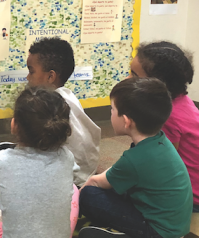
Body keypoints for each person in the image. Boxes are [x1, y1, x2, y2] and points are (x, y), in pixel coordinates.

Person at [0, 87, 78, 238]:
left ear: (14, 125)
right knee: (74, 189)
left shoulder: (3, 159)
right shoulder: (67, 157)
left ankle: (1, 218)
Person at [79, 77, 192, 238]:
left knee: (89, 195)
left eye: (112, 109)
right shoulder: (159, 140)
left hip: (156, 231)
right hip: (173, 225)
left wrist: (76, 199)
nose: (110, 113)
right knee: (114, 187)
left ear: (126, 121)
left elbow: (94, 182)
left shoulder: (135, 159)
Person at [130, 41, 199, 213]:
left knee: (96, 195)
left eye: (134, 75)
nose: (128, 80)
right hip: (188, 188)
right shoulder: (181, 100)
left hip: (188, 198)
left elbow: (164, 168)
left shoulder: (166, 116)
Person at [26, 37, 101, 187]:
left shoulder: (45, 105)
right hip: (88, 170)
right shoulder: (68, 95)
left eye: (31, 71)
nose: (27, 77)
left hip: (69, 177)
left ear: (50, 76)